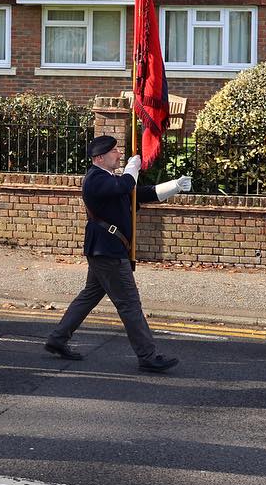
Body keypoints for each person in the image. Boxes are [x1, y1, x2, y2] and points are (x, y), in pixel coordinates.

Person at [44, 135, 188, 372]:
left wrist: (174, 185)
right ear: (100, 157)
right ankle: (148, 355)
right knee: (130, 304)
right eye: (115, 151)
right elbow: (125, 186)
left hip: (106, 250)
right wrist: (133, 168)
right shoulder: (95, 179)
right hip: (108, 252)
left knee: (89, 296)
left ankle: (58, 339)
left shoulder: (109, 179)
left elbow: (137, 194)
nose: (120, 154)